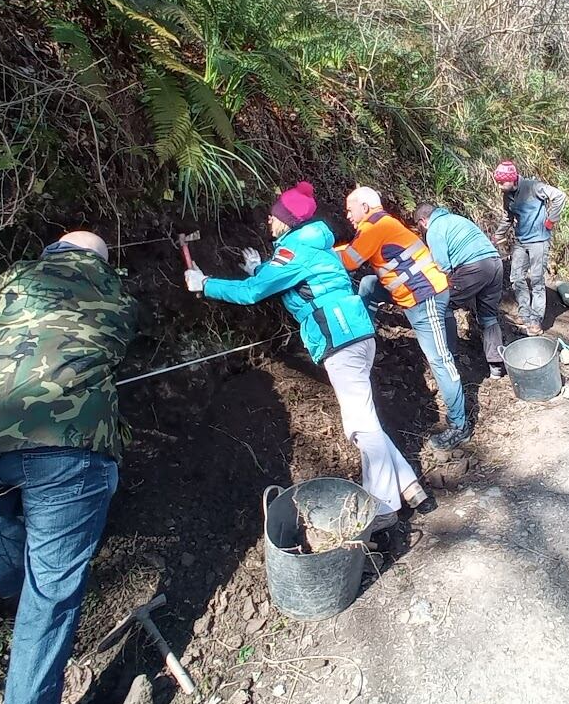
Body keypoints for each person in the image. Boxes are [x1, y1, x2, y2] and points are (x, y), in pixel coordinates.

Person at [0, 231, 137, 704]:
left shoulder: (16, 275)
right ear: (101, 262)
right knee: (53, 595)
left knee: (15, 494)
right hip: (68, 449)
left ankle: (7, 593)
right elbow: (121, 340)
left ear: (51, 253)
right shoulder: (116, 294)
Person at [184, 182, 427, 532]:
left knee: (359, 424)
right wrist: (258, 268)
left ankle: (385, 505)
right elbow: (294, 284)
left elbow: (255, 292)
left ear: (286, 220)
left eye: (274, 215)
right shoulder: (314, 244)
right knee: (365, 415)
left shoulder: (293, 251)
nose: (269, 221)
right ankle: (409, 485)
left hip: (338, 337)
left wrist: (204, 283)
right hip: (356, 331)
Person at [338, 187, 471, 450]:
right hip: (410, 293)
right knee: (368, 284)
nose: (348, 215)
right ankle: (364, 335)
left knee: (439, 360)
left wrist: (315, 253)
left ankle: (459, 425)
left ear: (364, 206)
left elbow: (349, 261)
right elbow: (353, 252)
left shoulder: (374, 227)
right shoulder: (379, 224)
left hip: (425, 298)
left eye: (350, 209)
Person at [413, 202, 506, 379]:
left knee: (443, 305)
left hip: (475, 267)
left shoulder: (434, 229)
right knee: (488, 315)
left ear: (423, 221)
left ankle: (450, 357)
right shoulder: (457, 220)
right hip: (495, 263)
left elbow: (443, 268)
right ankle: (496, 366)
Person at [492, 161, 565, 335]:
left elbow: (559, 196)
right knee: (516, 277)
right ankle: (525, 314)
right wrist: (498, 235)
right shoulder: (507, 194)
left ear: (512, 178)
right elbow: (507, 217)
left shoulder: (533, 187)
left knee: (537, 280)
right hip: (520, 241)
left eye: (502, 182)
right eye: (498, 183)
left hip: (539, 241)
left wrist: (550, 221)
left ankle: (535, 321)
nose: (500, 186)